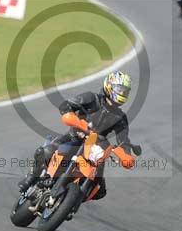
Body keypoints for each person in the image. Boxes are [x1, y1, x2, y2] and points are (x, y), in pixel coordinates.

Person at [18, 71, 137, 200]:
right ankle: (31, 178)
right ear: (109, 86)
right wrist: (71, 116)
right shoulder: (92, 98)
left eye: (125, 92)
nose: (123, 94)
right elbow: (67, 105)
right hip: (76, 136)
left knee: (99, 189)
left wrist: (126, 155)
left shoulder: (120, 118)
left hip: (95, 148)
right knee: (47, 151)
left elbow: (123, 140)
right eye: (120, 90)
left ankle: (72, 201)